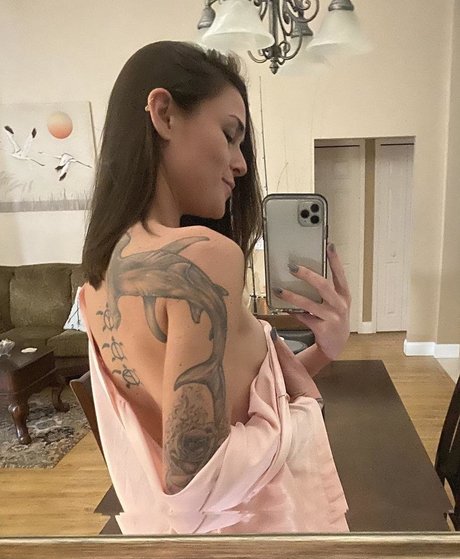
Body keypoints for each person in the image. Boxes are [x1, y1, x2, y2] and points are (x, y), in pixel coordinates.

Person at [80, 41, 351, 535]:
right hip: (253, 536)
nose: (240, 163)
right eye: (230, 135)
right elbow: (196, 479)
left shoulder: (96, 280)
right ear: (164, 114)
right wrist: (307, 409)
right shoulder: (203, 256)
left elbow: (224, 406)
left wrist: (324, 351)